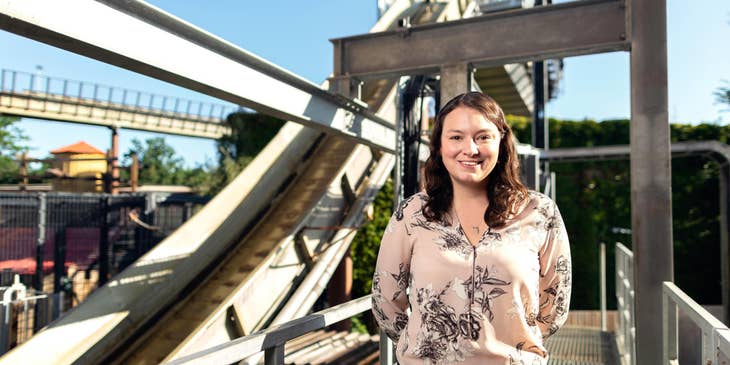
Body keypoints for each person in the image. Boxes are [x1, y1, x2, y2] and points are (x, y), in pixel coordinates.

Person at [372, 92, 571, 364]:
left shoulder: (539, 212)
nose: (470, 149)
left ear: (501, 141)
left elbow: (554, 304)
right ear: (439, 145)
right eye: (456, 137)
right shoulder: (412, 214)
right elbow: (385, 300)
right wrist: (426, 349)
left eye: (483, 136)